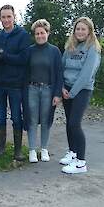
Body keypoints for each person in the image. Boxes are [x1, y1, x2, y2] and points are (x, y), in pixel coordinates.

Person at [60, 17, 101, 174]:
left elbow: (86, 74)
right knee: (69, 122)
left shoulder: (93, 49)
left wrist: (72, 93)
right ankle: (73, 152)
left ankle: (81, 163)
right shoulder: (70, 46)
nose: (80, 32)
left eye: (83, 29)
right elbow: (62, 67)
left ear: (89, 31)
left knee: (75, 124)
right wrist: (62, 87)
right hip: (67, 90)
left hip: (82, 91)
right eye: (78, 29)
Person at [0, 5, 32, 161]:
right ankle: (0, 148)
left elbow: (23, 59)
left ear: (14, 17)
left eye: (9, 17)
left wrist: (4, 56)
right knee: (0, 117)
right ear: (0, 18)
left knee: (16, 117)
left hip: (15, 84)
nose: (6, 20)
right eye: (3, 17)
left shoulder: (22, 35)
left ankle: (18, 151)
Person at [23, 19, 63, 163]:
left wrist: (58, 94)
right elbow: (24, 71)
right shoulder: (30, 50)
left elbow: (59, 73)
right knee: (32, 120)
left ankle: (44, 149)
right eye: (37, 33)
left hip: (48, 90)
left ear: (48, 33)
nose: (40, 36)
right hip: (32, 89)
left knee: (46, 120)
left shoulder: (54, 51)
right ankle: (32, 150)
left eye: (42, 33)